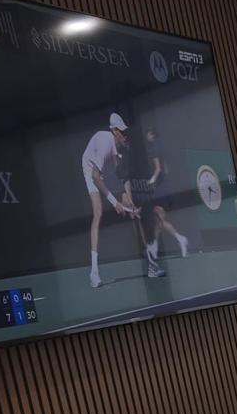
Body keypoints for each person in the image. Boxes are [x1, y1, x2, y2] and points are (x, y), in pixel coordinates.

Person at [81, 113, 164, 287]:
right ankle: (94, 272)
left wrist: (129, 201)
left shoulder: (122, 148)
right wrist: (115, 202)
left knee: (135, 213)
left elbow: (122, 177)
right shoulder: (105, 143)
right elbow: (96, 176)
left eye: (124, 131)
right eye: (121, 131)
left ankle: (151, 266)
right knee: (98, 213)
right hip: (90, 168)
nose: (124, 134)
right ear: (114, 131)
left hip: (105, 168)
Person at [138, 127, 189, 263]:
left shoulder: (153, 149)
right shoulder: (161, 149)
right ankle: (154, 247)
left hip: (159, 190)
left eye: (148, 134)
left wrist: (152, 180)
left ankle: (180, 239)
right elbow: (166, 170)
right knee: (159, 220)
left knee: (160, 220)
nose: (147, 136)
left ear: (152, 135)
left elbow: (158, 169)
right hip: (165, 188)